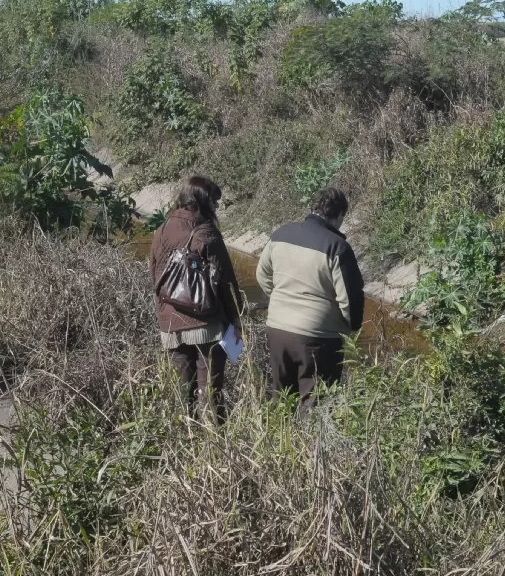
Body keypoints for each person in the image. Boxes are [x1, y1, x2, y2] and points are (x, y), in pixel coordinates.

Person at [256, 187, 364, 410]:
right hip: (318, 337)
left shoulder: (280, 234)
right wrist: (349, 326)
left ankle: (279, 441)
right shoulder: (338, 247)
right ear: (341, 214)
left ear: (313, 208)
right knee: (315, 405)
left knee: (282, 398)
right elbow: (350, 300)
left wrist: (279, 299)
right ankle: (309, 444)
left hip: (277, 329)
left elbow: (262, 274)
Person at [150, 175, 243, 422]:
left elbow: (154, 277)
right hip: (207, 325)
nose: (216, 207)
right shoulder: (207, 232)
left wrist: (165, 315)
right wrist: (237, 317)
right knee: (210, 392)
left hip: (171, 326)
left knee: (184, 392)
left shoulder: (161, 230)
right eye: (215, 201)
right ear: (204, 201)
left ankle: (185, 436)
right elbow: (227, 282)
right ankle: (213, 441)